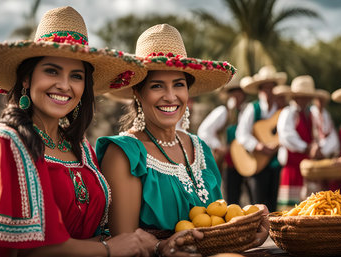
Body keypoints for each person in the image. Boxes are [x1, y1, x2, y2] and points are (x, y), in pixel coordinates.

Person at [0, 6, 197, 257]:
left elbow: (97, 231)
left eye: (76, 76)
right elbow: (24, 250)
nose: (64, 85)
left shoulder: (80, 147)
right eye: (52, 70)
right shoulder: (4, 143)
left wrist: (158, 245)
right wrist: (109, 249)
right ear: (26, 79)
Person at [96, 24, 269, 251]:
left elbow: (217, 220)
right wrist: (163, 246)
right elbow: (125, 245)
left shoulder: (200, 148)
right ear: (138, 93)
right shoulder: (124, 153)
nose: (170, 97)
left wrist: (248, 219)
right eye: (157, 86)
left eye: (178, 85)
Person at [235, 66, 286, 212]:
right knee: (257, 203)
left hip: (275, 163)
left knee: (274, 202)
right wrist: (258, 146)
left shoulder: (282, 110)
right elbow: (241, 134)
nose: (268, 92)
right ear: (260, 90)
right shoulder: (253, 108)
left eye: (271, 88)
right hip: (257, 162)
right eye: (265, 88)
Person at [197, 80, 248, 204]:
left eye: (239, 93)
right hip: (228, 161)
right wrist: (219, 146)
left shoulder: (247, 111)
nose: (237, 96)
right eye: (234, 93)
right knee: (231, 196)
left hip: (246, 159)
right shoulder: (223, 111)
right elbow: (203, 131)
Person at [276, 75, 320, 210]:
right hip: (293, 168)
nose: (305, 100)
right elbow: (287, 136)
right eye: (302, 96)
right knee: (290, 210)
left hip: (307, 169)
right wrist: (307, 147)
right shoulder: (288, 113)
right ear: (295, 97)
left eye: (307, 97)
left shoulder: (310, 114)